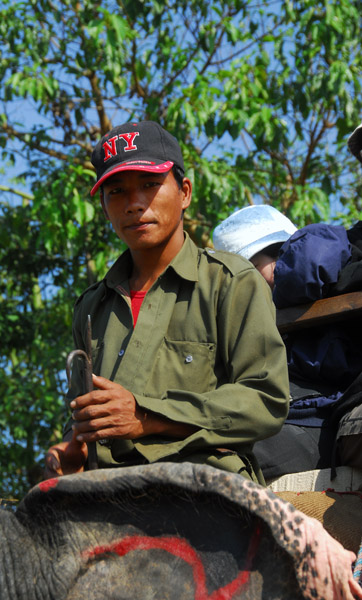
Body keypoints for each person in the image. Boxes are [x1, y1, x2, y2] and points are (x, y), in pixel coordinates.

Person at [44, 120, 290, 484]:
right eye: (116, 192)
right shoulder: (91, 308)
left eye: (149, 185)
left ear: (185, 192)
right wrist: (71, 445)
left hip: (204, 485)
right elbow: (83, 413)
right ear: (103, 206)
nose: (134, 204)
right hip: (106, 490)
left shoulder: (230, 282)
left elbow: (265, 401)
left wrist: (146, 416)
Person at [213, 199, 362, 479]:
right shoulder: (249, 316)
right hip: (287, 419)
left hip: (316, 419)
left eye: (252, 269)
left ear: (284, 252)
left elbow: (308, 261)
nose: (247, 286)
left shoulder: (311, 265)